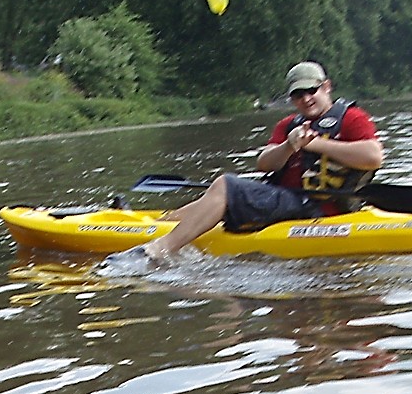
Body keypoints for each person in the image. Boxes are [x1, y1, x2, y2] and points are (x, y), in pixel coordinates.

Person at [142, 61, 383, 263]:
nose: (306, 99)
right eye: (298, 95)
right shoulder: (288, 125)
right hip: (286, 198)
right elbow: (264, 164)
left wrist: (316, 144)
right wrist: (289, 145)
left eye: (312, 91)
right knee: (212, 197)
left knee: (225, 185)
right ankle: (153, 227)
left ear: (327, 87)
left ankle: (160, 250)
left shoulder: (352, 118)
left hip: (321, 206)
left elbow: (373, 157)